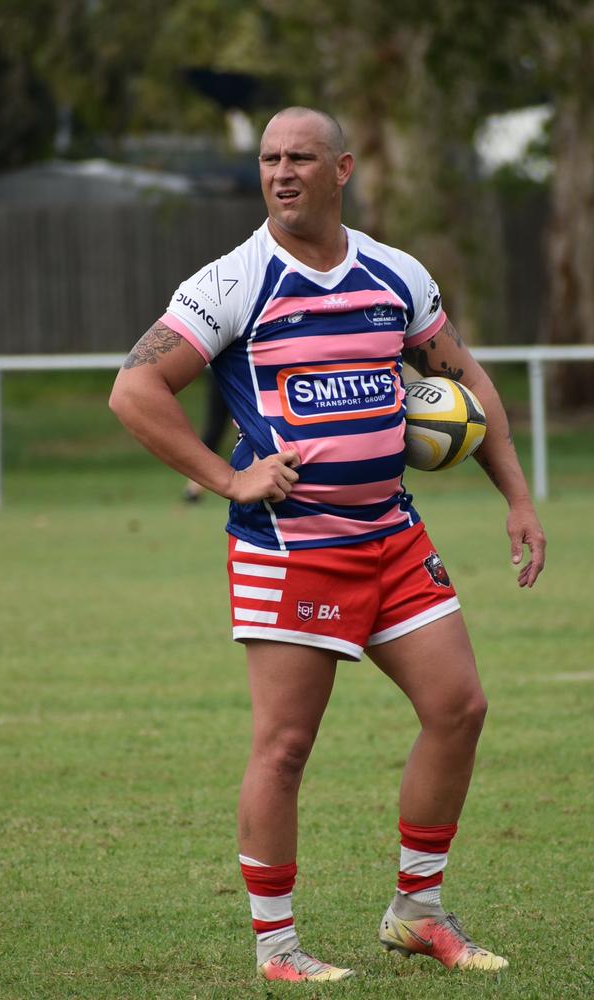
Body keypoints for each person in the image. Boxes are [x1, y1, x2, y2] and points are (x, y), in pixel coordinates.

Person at [109, 106, 546, 983]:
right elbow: (134, 388)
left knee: (459, 708)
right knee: (285, 746)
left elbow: (462, 376)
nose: (281, 172)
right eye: (269, 158)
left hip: (391, 533)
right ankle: (277, 948)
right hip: (291, 549)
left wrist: (518, 496)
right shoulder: (233, 282)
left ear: (342, 168)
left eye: (301, 158)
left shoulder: (395, 274)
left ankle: (417, 914)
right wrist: (232, 477)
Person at [183, 368, 230, 502]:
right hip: (223, 371)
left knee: (254, 427)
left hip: (250, 371)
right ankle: (195, 486)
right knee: (215, 427)